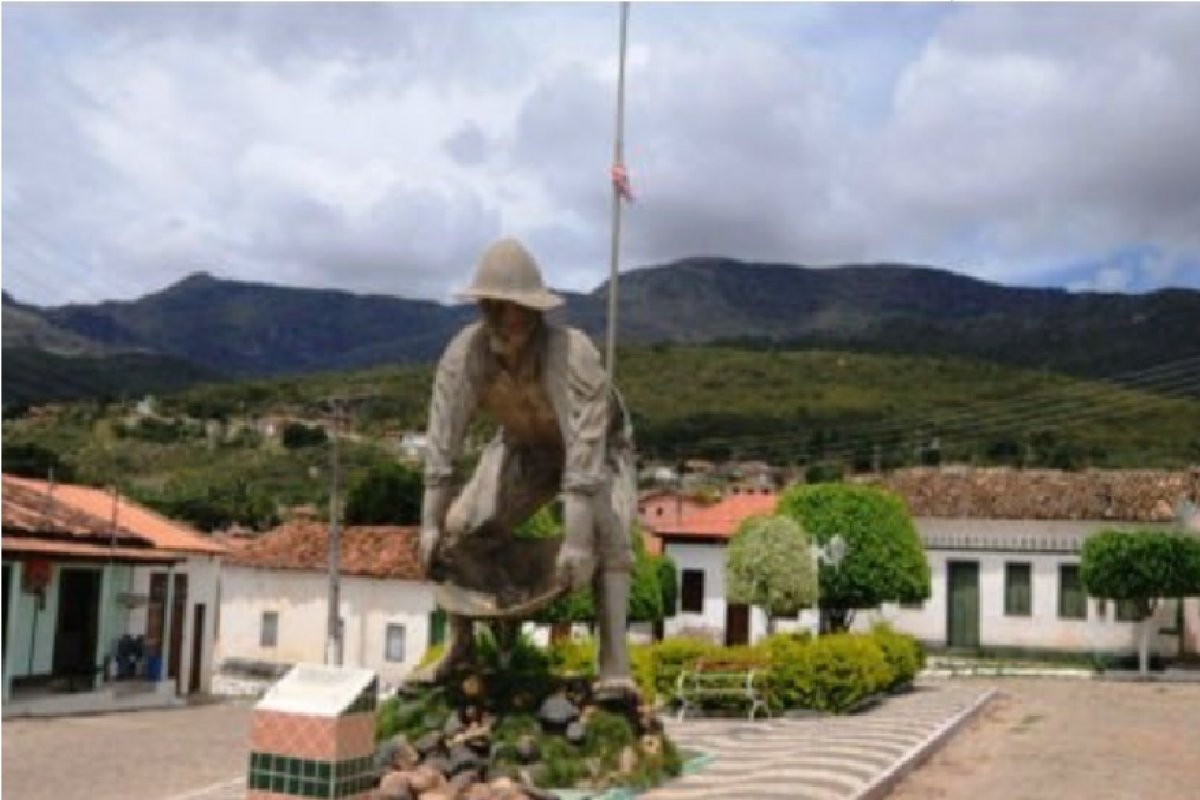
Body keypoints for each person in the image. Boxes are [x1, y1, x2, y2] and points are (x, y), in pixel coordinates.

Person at [418, 237, 638, 697]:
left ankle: (615, 665)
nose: (500, 318)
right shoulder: (465, 356)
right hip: (523, 448)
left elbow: (584, 458)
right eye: (490, 306)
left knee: (610, 541)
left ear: (534, 311)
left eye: (510, 307)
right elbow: (441, 449)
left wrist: (577, 539)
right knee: (459, 529)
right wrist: (429, 526)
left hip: (600, 452)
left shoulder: (570, 354)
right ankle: (461, 646)